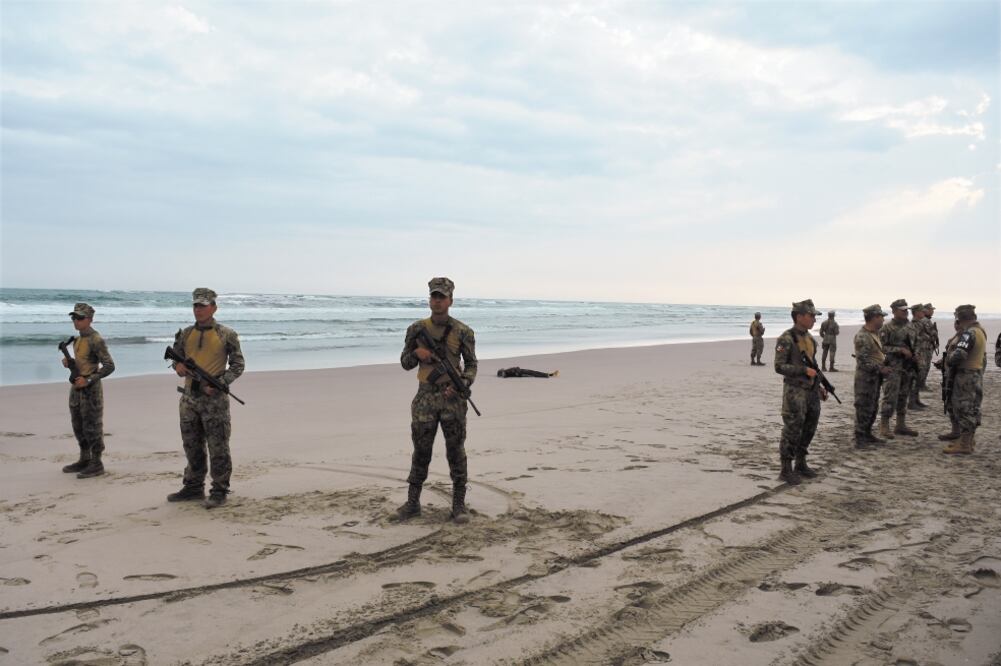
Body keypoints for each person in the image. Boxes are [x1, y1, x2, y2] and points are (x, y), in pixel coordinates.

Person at [397, 277, 478, 524]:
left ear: (450, 300)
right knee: (421, 450)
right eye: (434, 296)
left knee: (456, 451)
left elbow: (472, 365)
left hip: (452, 399)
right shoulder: (416, 329)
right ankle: (412, 504)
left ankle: (458, 504)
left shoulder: (463, 331)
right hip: (425, 398)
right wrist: (416, 353)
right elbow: (405, 363)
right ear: (429, 299)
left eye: (442, 297)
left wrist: (462, 383)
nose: (437, 301)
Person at [166, 288, 245, 508]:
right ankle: (193, 487)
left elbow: (238, 364)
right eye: (195, 305)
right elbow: (176, 359)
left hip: (214, 401)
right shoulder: (185, 334)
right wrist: (178, 366)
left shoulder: (226, 334)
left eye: (203, 305)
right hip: (189, 399)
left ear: (214, 307)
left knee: (218, 446)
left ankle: (219, 490)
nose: (198, 309)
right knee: (191, 445)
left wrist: (221, 383)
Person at [773, 299, 828, 485]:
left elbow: (813, 366)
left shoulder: (811, 339)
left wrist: (819, 386)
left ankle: (801, 463)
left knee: (809, 427)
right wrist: (803, 371)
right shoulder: (786, 338)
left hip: (811, 391)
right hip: (795, 390)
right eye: (811, 316)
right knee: (792, 429)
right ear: (799, 316)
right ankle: (786, 468)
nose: (814, 319)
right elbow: (779, 366)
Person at [60, 303, 116, 478]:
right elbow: (83, 361)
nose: (76, 321)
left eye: (80, 318)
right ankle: (84, 459)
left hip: (91, 389)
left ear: (90, 319)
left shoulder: (95, 339)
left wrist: (89, 379)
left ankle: (96, 463)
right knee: (78, 425)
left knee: (92, 426)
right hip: (76, 387)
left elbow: (109, 366)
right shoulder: (78, 339)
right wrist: (70, 364)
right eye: (74, 318)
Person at [942, 304, 987, 455]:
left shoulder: (969, 334)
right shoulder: (980, 331)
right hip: (975, 374)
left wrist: (948, 359)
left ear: (960, 319)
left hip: (965, 376)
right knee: (972, 408)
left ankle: (965, 444)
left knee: (964, 408)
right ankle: (967, 441)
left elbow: (959, 355)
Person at [878, 299, 918, 439]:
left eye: (906, 310)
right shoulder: (887, 328)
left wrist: (916, 356)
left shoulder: (911, 327)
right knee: (890, 396)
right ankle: (884, 425)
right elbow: (881, 347)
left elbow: (915, 344)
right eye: (902, 310)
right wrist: (899, 350)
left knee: (903, 396)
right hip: (893, 366)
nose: (906, 312)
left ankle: (900, 425)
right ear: (894, 311)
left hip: (908, 367)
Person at [852, 305, 891, 448]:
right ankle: (860, 438)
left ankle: (867, 434)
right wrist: (880, 369)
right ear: (874, 318)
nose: (883, 320)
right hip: (865, 379)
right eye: (881, 317)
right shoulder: (863, 336)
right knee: (863, 407)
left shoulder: (875, 333)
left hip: (874, 378)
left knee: (872, 407)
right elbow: (863, 362)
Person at [935, 319, 964, 442]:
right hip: (949, 374)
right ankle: (955, 430)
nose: (956, 326)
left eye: (959, 323)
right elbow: (948, 354)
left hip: (959, 376)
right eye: (956, 323)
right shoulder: (954, 338)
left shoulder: (966, 339)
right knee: (949, 402)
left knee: (960, 405)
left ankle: (963, 434)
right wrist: (942, 362)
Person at [907, 303, 930, 410]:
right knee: (914, 379)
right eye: (921, 311)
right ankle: (912, 402)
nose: (924, 312)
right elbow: (913, 341)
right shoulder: (913, 324)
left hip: (921, 353)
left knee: (918, 378)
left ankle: (916, 400)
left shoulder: (919, 324)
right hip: (916, 355)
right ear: (916, 312)